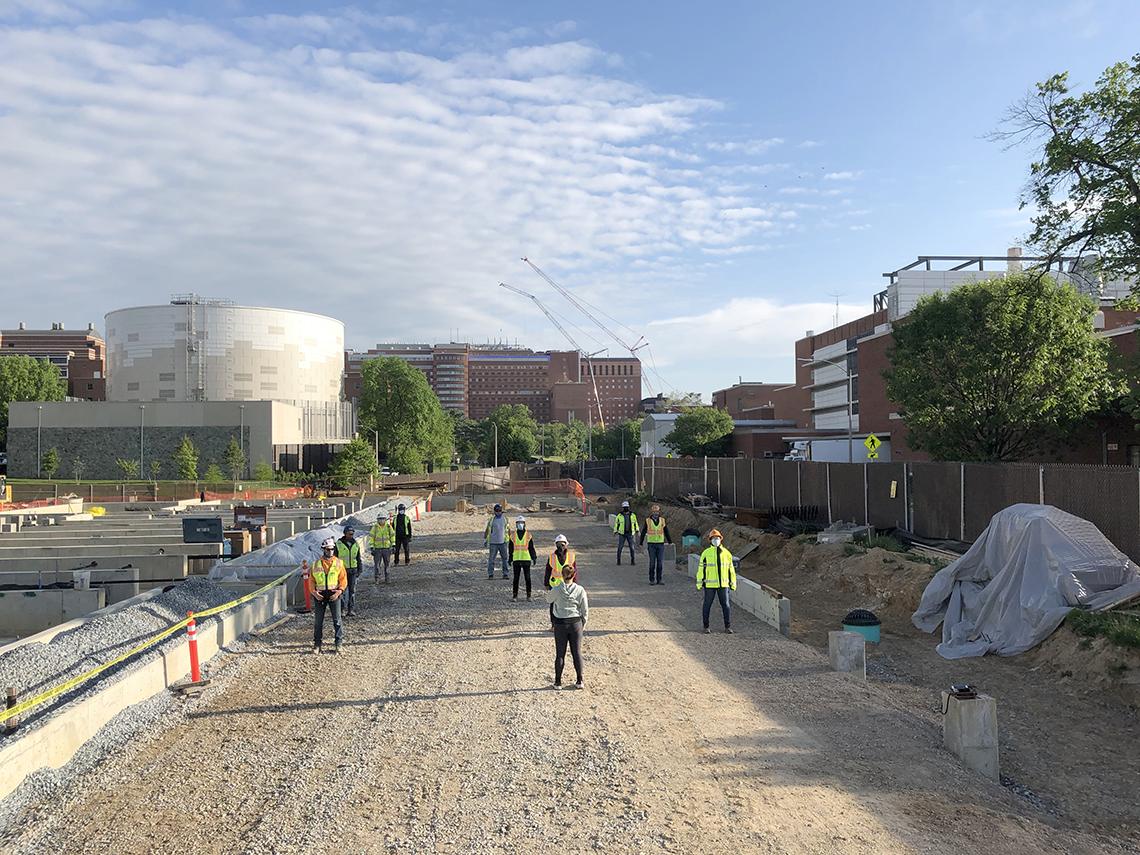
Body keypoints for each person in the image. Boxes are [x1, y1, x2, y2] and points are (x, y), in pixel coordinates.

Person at [545, 558, 588, 689]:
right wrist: (582, 624)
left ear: (562, 575)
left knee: (560, 653)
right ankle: (579, 680)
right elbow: (584, 609)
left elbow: (548, 599)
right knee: (577, 652)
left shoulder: (557, 589)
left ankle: (558, 682)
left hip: (560, 623)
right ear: (574, 575)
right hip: (575, 623)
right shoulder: (580, 590)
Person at [697, 529, 736, 634]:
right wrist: (699, 583)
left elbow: (731, 570)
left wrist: (733, 583)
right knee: (707, 605)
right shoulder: (706, 553)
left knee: (726, 605)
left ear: (721, 539)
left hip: (723, 584)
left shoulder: (727, 554)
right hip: (709, 585)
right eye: (714, 538)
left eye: (717, 538)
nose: (716, 540)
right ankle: (706, 626)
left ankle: (727, 626)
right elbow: (701, 569)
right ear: (710, 540)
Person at [311, 536, 346, 653]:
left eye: (331, 549)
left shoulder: (339, 563)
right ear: (323, 549)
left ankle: (338, 643)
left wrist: (339, 591)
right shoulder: (316, 564)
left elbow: (343, 580)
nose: (330, 551)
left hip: (334, 594)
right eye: (327, 549)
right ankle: (317, 644)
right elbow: (311, 581)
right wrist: (314, 592)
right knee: (318, 621)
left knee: (337, 620)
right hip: (319, 595)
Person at [544, 534, 578, 631]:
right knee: (553, 605)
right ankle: (554, 625)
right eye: (559, 544)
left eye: (562, 544)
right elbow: (548, 570)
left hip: (568, 584)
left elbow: (575, 570)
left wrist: (575, 583)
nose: (561, 546)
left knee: (568, 604)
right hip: (554, 585)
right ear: (556, 545)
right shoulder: (552, 557)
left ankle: (567, 624)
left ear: (566, 545)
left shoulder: (571, 556)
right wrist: (546, 583)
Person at [638, 504, 673, 586]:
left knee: (660, 563)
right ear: (651, 512)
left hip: (660, 544)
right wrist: (640, 542)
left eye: (657, 511)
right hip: (651, 545)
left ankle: (659, 579)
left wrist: (670, 541)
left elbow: (666, 531)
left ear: (659, 512)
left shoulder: (662, 520)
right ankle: (652, 579)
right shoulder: (648, 521)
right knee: (652, 563)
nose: (655, 513)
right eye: (654, 511)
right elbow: (643, 532)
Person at [508, 515, 538, 599]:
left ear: (524, 524)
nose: (520, 524)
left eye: (521, 523)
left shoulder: (528, 535)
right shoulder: (512, 536)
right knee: (516, 579)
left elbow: (531, 547)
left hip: (526, 559)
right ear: (516, 524)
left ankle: (529, 595)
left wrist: (534, 557)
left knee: (527, 578)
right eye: (518, 523)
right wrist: (510, 558)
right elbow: (510, 548)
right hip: (516, 559)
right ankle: (515, 595)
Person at [336, 527, 362, 617]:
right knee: (342, 591)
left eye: (352, 533)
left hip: (353, 571)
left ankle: (350, 609)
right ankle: (342, 610)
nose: (351, 535)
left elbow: (358, 558)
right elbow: (335, 559)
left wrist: (359, 569)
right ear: (344, 533)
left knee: (352, 591)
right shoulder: (338, 544)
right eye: (349, 533)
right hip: (342, 571)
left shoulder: (356, 544)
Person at [484, 503, 510, 580]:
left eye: (499, 511)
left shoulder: (505, 519)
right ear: (494, 511)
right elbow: (487, 529)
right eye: (497, 511)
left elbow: (508, 529)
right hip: (493, 543)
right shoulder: (491, 520)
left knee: (505, 559)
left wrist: (510, 539)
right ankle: (490, 574)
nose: (498, 512)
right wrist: (485, 539)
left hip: (503, 542)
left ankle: (505, 574)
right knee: (491, 559)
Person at [369, 511, 396, 582]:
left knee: (387, 564)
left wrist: (393, 545)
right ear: (377, 520)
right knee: (377, 565)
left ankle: (387, 578)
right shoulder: (374, 527)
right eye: (380, 519)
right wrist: (372, 547)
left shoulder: (388, 527)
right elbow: (371, 537)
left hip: (387, 549)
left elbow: (392, 536)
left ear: (385, 519)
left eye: (383, 519)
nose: (381, 520)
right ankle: (377, 578)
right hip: (377, 549)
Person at [613, 500, 640, 566]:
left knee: (632, 548)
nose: (626, 508)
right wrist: (615, 531)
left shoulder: (633, 515)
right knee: (620, 548)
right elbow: (616, 524)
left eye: (627, 507)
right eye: (624, 507)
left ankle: (632, 560)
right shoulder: (619, 516)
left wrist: (637, 530)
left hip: (630, 534)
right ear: (623, 508)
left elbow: (635, 523)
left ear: (628, 507)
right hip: (622, 534)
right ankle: (618, 560)